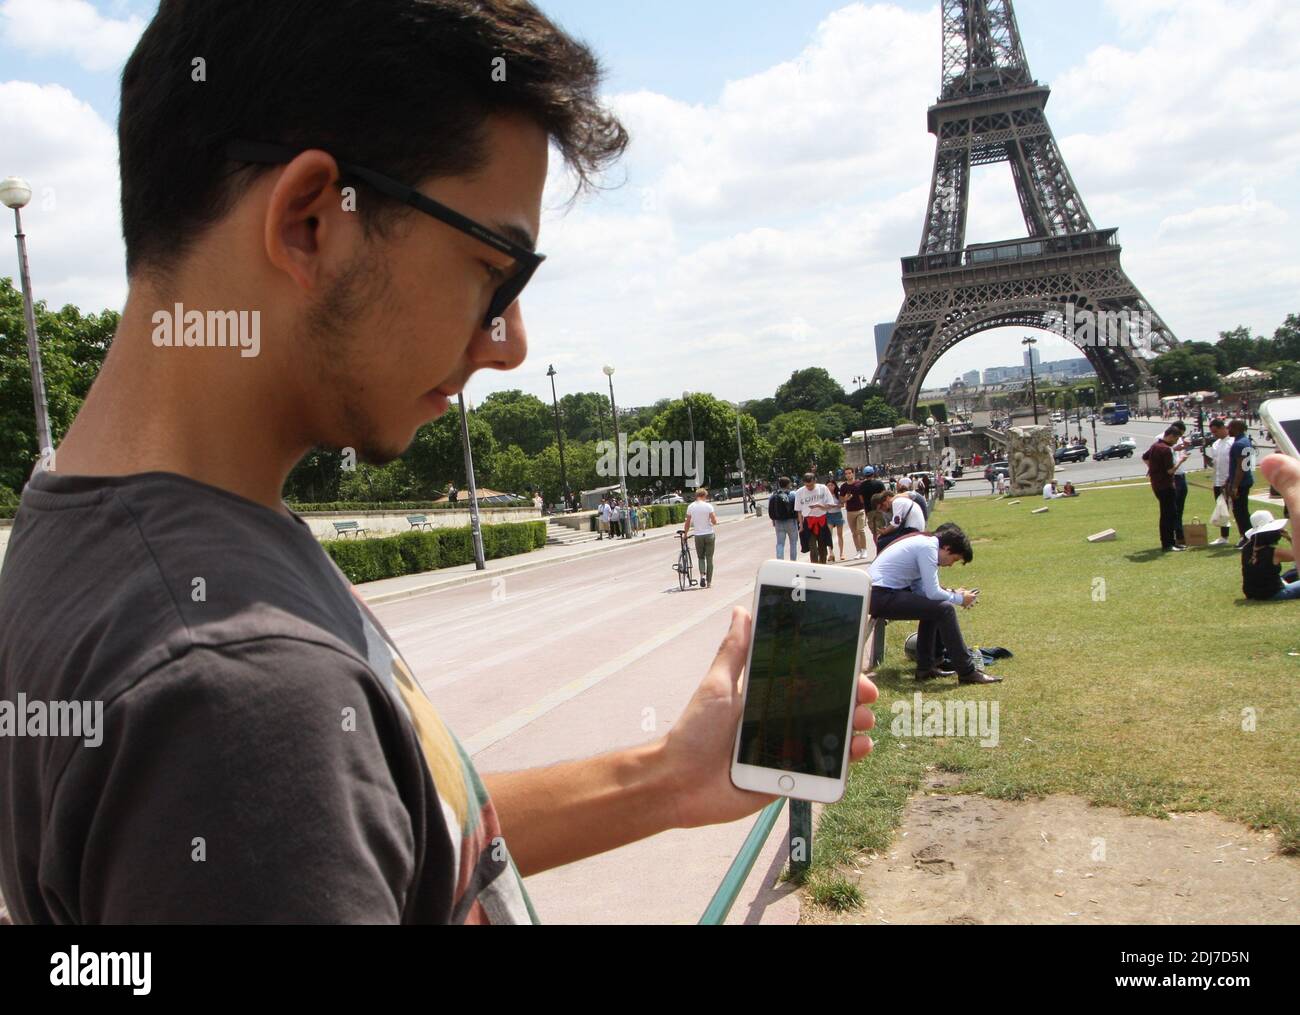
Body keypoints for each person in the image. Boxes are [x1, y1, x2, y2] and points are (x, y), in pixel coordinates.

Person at [0, 1, 889, 926]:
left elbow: (373, 829)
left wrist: (659, 778)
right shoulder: (243, 692)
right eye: (495, 269)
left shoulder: (94, 523)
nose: (510, 341)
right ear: (311, 220)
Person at [867, 524, 999, 685]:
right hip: (880, 596)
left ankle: (926, 668)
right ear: (947, 548)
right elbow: (932, 592)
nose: (951, 564)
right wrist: (959, 599)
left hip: (878, 595)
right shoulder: (928, 548)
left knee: (935, 607)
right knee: (945, 609)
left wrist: (953, 593)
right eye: (954, 559)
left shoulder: (925, 544)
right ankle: (967, 672)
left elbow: (921, 590)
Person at [1143, 427, 1185, 552]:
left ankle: (1170, 542)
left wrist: (1155, 470)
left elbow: (1145, 457)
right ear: (1171, 436)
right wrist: (1181, 461)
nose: (1176, 441)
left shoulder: (1156, 446)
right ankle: (1168, 543)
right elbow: (1170, 470)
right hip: (1166, 485)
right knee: (1169, 514)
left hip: (1157, 484)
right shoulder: (1165, 449)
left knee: (1168, 513)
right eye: (1176, 438)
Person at [1241, 511, 1298, 601]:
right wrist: (1289, 538)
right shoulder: (1275, 552)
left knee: (1293, 572)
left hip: (1252, 593)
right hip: (1274, 593)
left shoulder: (1246, 548)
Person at [794, 472, 837, 565]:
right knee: (813, 548)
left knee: (822, 547)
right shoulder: (799, 492)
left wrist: (821, 506)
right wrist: (801, 526)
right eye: (807, 485)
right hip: (808, 522)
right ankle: (815, 567)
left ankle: (823, 564)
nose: (809, 487)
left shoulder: (823, 488)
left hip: (821, 520)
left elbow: (831, 505)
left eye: (811, 485)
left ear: (815, 481)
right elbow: (799, 511)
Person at [1226, 420, 1256, 549]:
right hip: (1244, 480)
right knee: (1241, 510)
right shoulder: (1245, 441)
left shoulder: (1239, 444)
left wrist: (1234, 486)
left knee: (1240, 511)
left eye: (1230, 427)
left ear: (1236, 428)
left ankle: (1247, 536)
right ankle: (1247, 536)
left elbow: (1241, 467)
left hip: (1241, 482)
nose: (1228, 429)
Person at [681, 487, 719, 589]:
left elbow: (687, 522)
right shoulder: (708, 506)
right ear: (703, 496)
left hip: (698, 536)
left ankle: (702, 576)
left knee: (701, 557)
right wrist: (712, 522)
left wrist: (685, 533)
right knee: (709, 559)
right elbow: (714, 521)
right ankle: (709, 582)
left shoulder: (691, 507)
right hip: (709, 534)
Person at [1206, 418, 1234, 546]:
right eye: (1212, 432)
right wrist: (1207, 460)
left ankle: (1244, 536)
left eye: (1216, 431)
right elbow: (1215, 464)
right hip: (1217, 482)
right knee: (1222, 509)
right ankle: (1224, 537)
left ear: (1223, 428)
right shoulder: (1215, 444)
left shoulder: (1233, 442)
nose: (1214, 434)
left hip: (1230, 482)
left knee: (1238, 510)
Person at [768, 476, 801, 561]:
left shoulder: (773, 496)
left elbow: (772, 509)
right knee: (793, 543)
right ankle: (793, 561)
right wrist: (799, 520)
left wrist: (774, 520)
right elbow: (797, 509)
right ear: (788, 484)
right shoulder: (793, 494)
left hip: (778, 522)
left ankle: (780, 560)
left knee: (780, 543)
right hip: (791, 521)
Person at [826, 473, 847, 563]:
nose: (830, 487)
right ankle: (831, 553)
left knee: (840, 535)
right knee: (829, 535)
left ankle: (841, 553)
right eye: (828, 485)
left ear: (835, 486)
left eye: (832, 485)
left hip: (838, 514)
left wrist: (836, 505)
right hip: (829, 515)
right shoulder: (825, 495)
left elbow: (842, 504)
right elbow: (824, 506)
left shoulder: (838, 494)